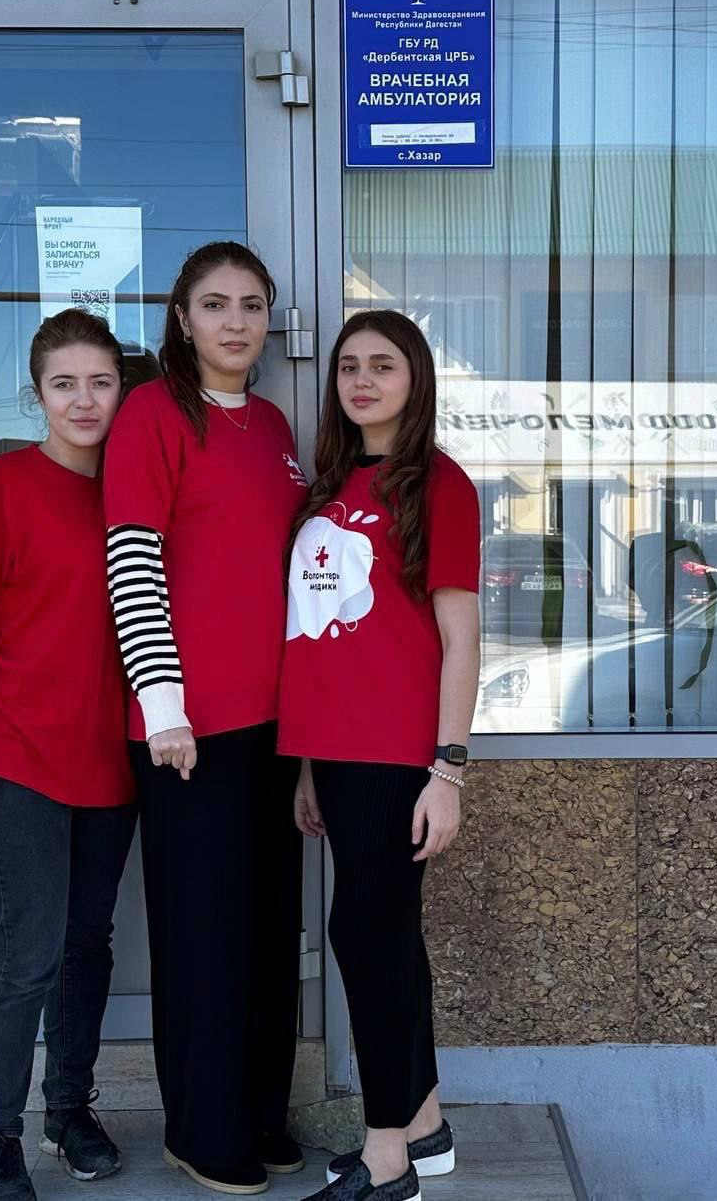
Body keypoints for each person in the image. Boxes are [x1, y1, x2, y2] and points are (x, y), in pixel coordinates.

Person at [103, 241, 309, 1196]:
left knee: (268, 931)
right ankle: (202, 1127)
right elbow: (132, 560)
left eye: (252, 305)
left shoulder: (274, 427)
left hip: (275, 726)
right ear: (182, 319)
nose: (236, 321)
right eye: (216, 304)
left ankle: (262, 1113)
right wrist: (163, 707)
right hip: (187, 732)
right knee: (203, 937)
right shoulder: (153, 414)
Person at [278, 311, 481, 1201]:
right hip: (336, 751)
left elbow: (461, 638)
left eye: (383, 365)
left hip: (399, 753)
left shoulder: (439, 483)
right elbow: (319, 632)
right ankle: (425, 1122)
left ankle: (388, 1154)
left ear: (415, 378)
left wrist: (448, 769)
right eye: (349, 366)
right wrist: (308, 763)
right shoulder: (328, 484)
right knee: (388, 936)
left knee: (365, 933)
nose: (362, 380)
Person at [0, 309, 138, 1201]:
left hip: (111, 759)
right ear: (38, 395)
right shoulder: (3, 486)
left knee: (87, 943)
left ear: (121, 389)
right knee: (28, 950)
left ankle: (69, 1109)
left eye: (100, 382)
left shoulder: (134, 490)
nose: (84, 400)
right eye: (65, 384)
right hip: (18, 755)